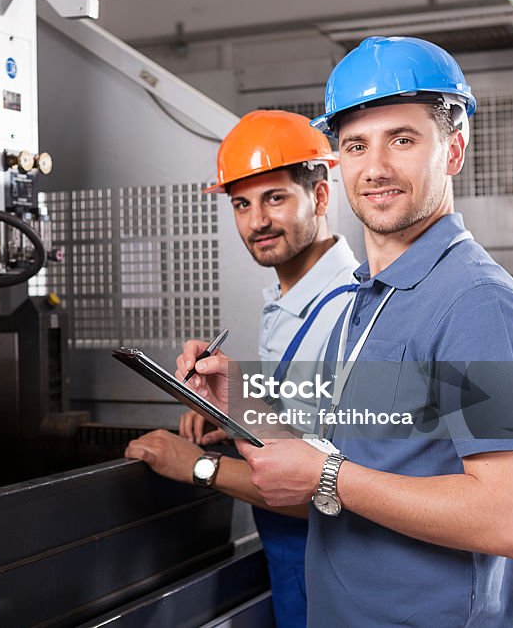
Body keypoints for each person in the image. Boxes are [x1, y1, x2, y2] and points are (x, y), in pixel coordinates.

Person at [189, 36, 513, 626]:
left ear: (453, 150)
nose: (376, 167)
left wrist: (328, 476)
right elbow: (365, 456)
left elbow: (511, 520)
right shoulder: (367, 298)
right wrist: (236, 399)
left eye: (402, 140)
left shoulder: (476, 302)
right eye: (355, 145)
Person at [124, 110, 358, 628]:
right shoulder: (291, 298)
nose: (256, 222)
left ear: (320, 197)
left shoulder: (346, 312)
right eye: (241, 204)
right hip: (299, 568)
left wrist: (196, 466)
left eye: (275, 198)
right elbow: (301, 432)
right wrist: (235, 413)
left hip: (332, 574)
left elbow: (331, 488)